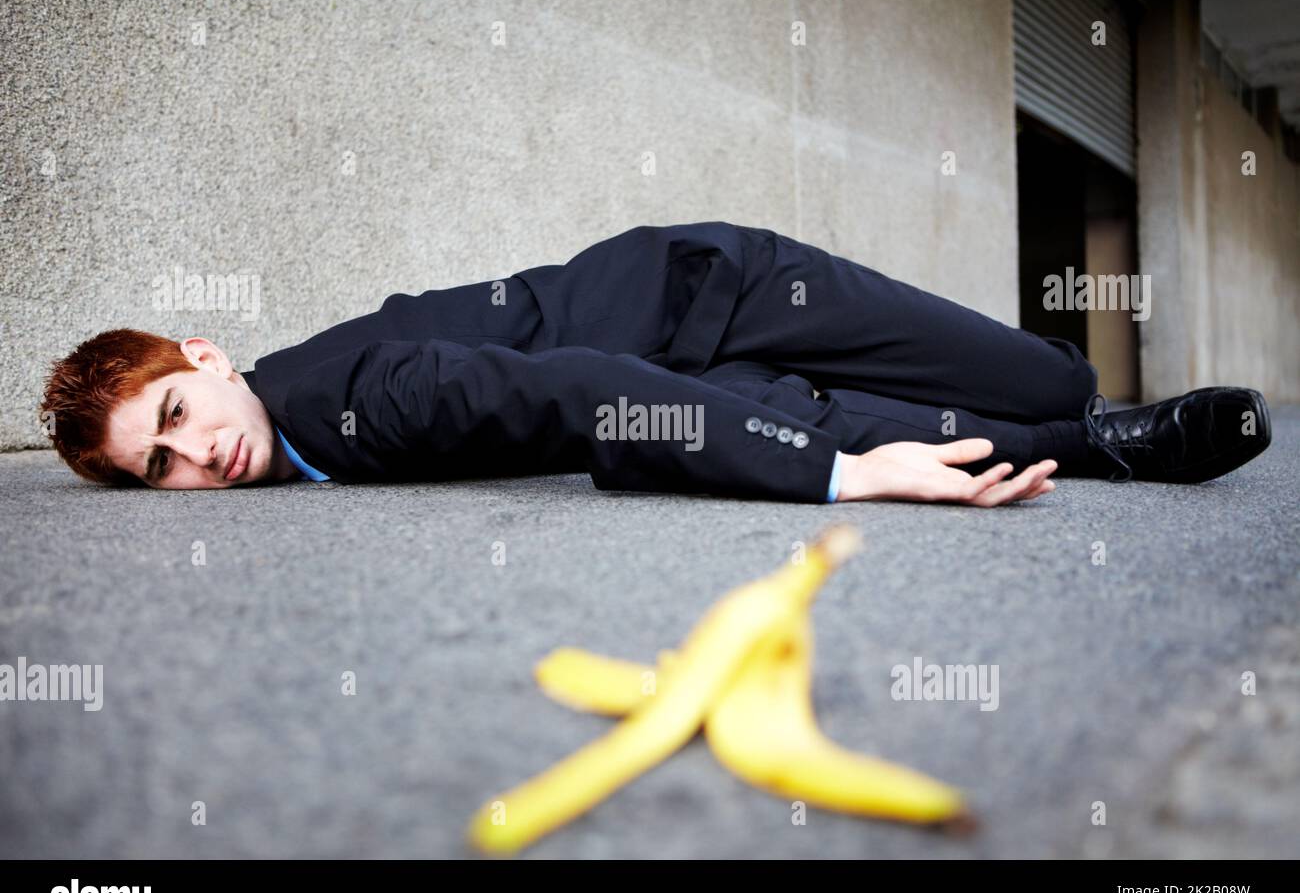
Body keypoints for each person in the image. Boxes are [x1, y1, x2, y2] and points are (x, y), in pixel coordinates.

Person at [39, 221, 1272, 506]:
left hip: (719, 289)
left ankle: (1074, 413)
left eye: (177, 412)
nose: (198, 452)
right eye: (160, 468)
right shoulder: (291, 408)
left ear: (201, 354)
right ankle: (1117, 446)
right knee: (862, 431)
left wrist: (839, 485)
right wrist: (842, 459)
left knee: (1044, 375)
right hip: (674, 388)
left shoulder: (350, 402)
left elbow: (571, 390)